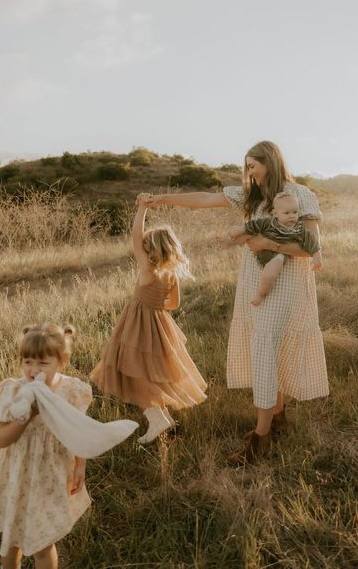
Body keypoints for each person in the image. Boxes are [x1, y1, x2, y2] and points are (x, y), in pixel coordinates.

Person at [140, 140, 329, 464]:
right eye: (246, 167)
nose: (248, 172)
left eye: (252, 165)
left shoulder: (301, 195)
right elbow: (206, 199)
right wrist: (161, 199)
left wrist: (270, 243)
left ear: (269, 161)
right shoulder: (252, 196)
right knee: (268, 346)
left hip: (287, 284)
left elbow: (310, 248)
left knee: (265, 346)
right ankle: (278, 416)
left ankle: (261, 437)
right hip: (254, 282)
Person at [0, 324, 93, 569]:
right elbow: (2, 439)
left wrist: (81, 465)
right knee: (12, 538)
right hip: (15, 474)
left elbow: (77, 430)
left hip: (49, 474)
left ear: (62, 360)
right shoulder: (13, 391)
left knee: (43, 541)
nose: (33, 370)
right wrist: (26, 415)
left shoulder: (70, 390)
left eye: (42, 363)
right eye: (27, 362)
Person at [90, 194, 207, 444]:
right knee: (150, 372)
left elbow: (134, 236)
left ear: (149, 249)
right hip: (159, 323)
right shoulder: (170, 274)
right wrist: (156, 306)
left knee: (136, 371)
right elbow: (174, 304)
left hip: (137, 323)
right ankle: (161, 419)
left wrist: (142, 208)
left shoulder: (147, 269)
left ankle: (158, 420)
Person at [222, 191, 322, 306]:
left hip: (277, 255)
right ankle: (228, 242)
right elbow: (253, 224)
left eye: (295, 212)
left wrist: (317, 257)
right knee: (250, 232)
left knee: (270, 274)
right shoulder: (269, 223)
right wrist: (240, 229)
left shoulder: (299, 229)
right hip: (260, 250)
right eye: (286, 213)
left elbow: (311, 242)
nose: (291, 216)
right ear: (275, 214)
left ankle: (261, 294)